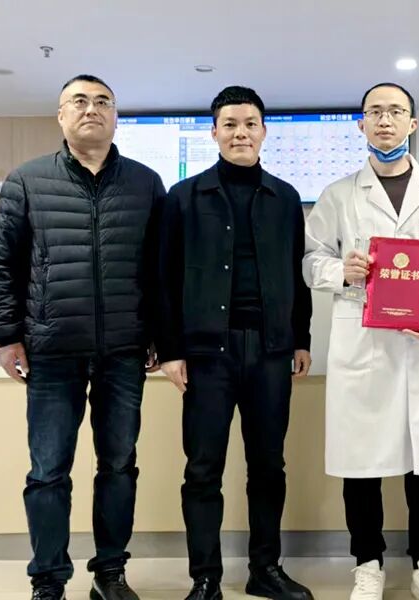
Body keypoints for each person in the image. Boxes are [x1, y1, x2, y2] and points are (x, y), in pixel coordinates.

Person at [0, 74, 165, 600]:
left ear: (116, 117)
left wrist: (160, 334)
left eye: (103, 101)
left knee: (119, 466)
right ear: (61, 116)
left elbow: (160, 269)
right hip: (52, 351)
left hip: (123, 352)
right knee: (48, 472)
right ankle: (49, 580)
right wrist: (7, 337)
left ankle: (110, 573)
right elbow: (1, 266)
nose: (91, 109)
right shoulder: (27, 180)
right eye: (78, 101)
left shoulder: (146, 183)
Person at [303, 82, 419, 600]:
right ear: (361, 124)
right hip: (364, 340)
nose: (385, 120)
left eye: (396, 111)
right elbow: (310, 260)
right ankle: (367, 563)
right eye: (374, 112)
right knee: (362, 459)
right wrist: (342, 271)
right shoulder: (338, 193)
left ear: (412, 123)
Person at [156, 86, 314, 600]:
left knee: (268, 466)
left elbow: (298, 276)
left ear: (264, 131)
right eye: (230, 124)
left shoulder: (285, 198)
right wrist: (170, 349)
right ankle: (205, 578)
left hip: (271, 351)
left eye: (250, 124)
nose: (240, 133)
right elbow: (164, 279)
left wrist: (301, 339)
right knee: (203, 469)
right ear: (214, 132)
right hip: (207, 354)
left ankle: (265, 570)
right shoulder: (184, 197)